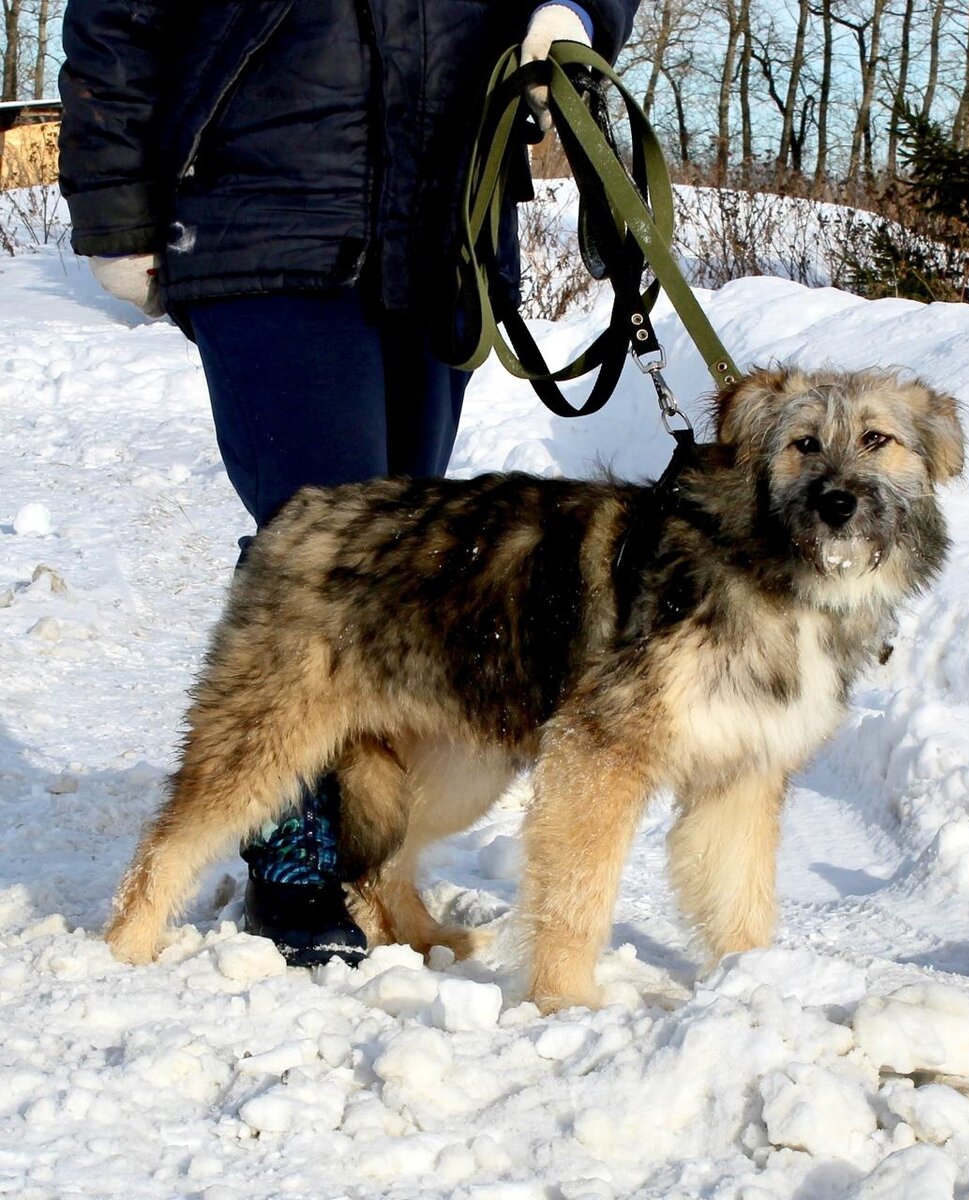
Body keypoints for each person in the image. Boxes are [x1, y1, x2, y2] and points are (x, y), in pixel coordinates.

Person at [58, 0, 640, 968]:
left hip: (446, 217)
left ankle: (376, 864)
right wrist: (115, 210)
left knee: (410, 573)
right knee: (320, 548)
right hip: (266, 209)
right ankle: (296, 852)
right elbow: (118, 19)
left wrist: (572, 10)